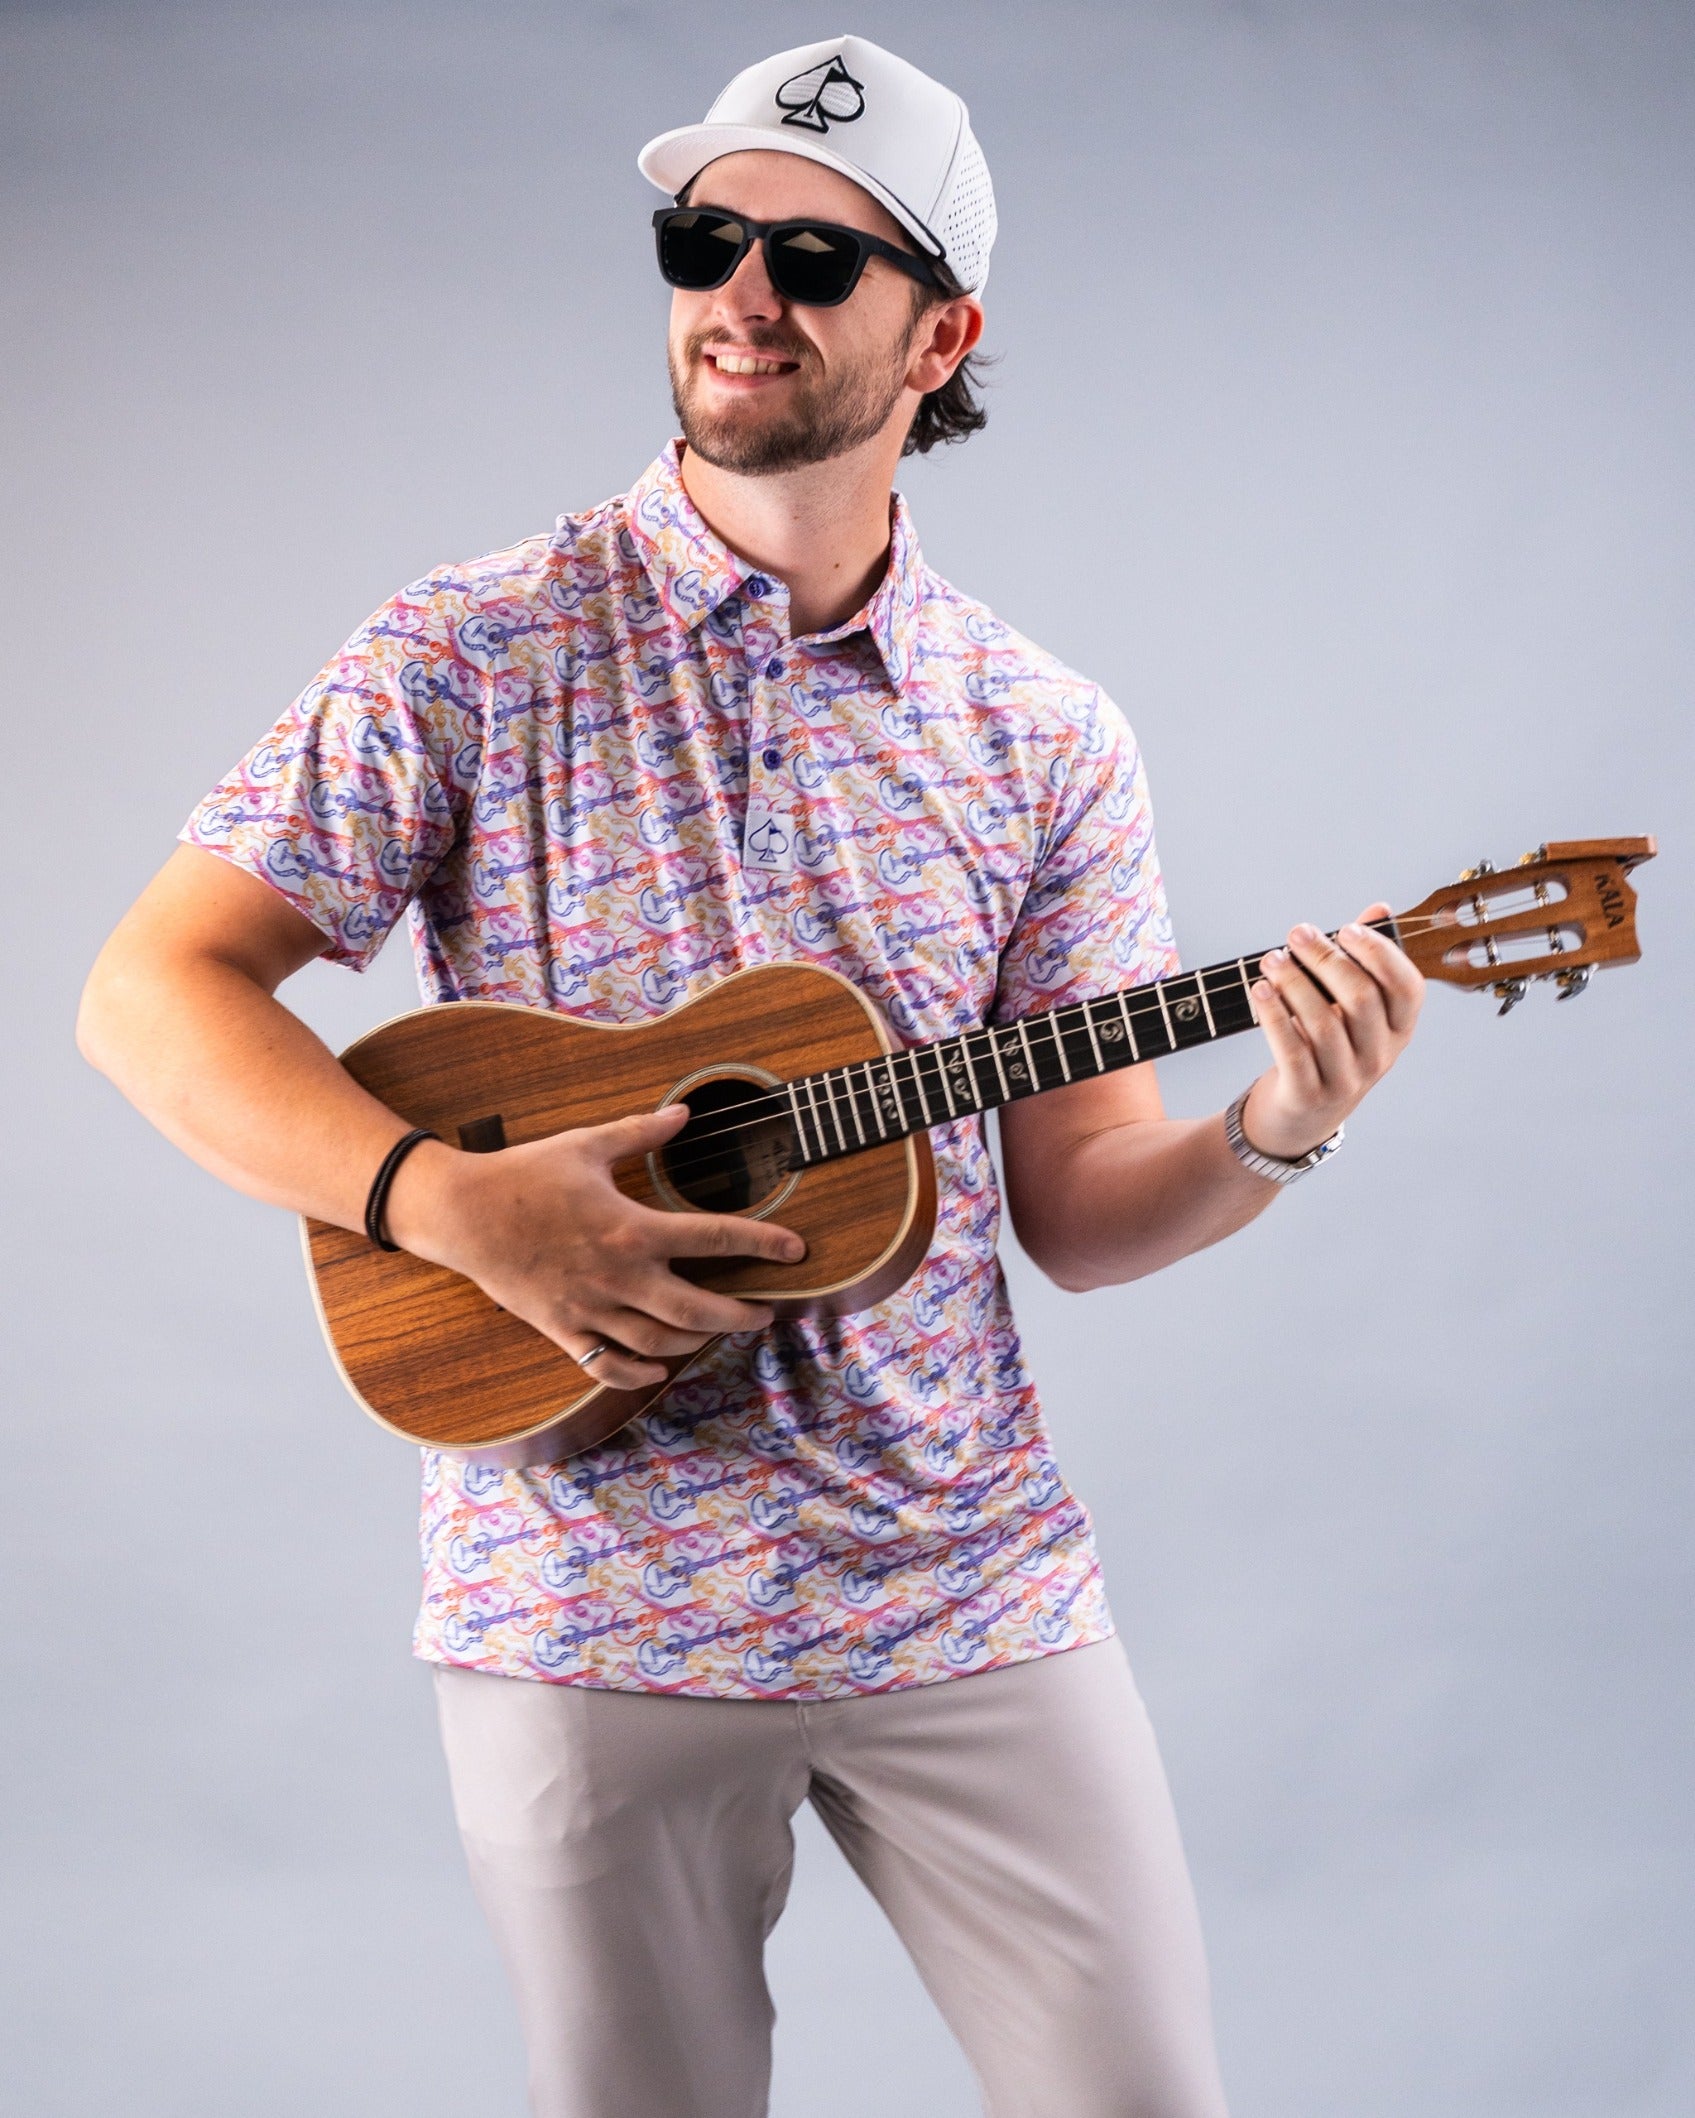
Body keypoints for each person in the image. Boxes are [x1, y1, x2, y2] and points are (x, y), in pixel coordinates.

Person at [78, 34, 1423, 2118]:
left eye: (811, 255)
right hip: (585, 1590)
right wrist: (446, 1205)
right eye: (701, 237)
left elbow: (1075, 1207)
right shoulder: (472, 650)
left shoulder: (1041, 734)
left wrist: (1278, 1128)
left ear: (938, 334)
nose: (737, 291)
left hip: (962, 1585)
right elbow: (152, 991)